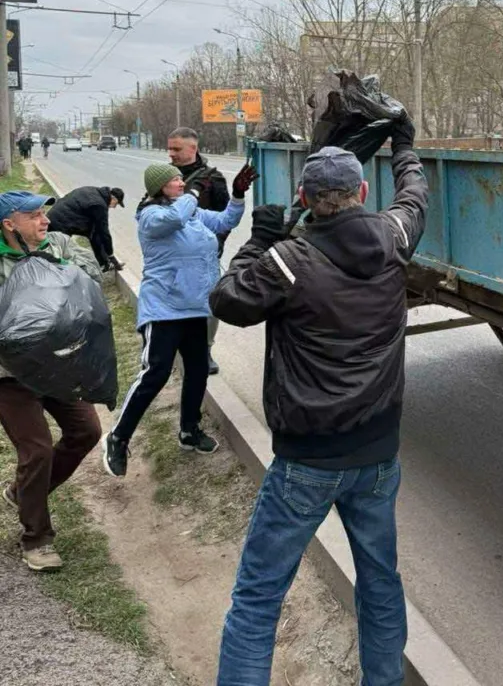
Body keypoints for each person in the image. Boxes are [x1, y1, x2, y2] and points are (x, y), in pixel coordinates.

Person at [210, 118, 427, 686]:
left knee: (259, 596)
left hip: (305, 463)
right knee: (381, 583)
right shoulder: (394, 236)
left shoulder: (286, 261)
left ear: (304, 199)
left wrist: (258, 239)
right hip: (378, 459)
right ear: (363, 192)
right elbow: (414, 194)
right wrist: (404, 146)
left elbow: (226, 300)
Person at [102, 160, 255, 478]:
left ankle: (189, 431)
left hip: (196, 308)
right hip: (165, 309)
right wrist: (194, 194)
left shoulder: (192, 213)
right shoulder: (151, 215)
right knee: (155, 374)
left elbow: (226, 220)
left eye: (182, 180)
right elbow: (174, 218)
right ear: (159, 187)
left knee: (198, 371)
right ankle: (118, 437)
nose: (182, 183)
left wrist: (238, 194)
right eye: (175, 180)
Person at [0, 191, 103, 571]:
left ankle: (23, 493)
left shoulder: (58, 243)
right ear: (9, 224)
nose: (44, 221)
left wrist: (61, 271)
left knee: (87, 431)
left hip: (57, 367)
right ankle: (37, 540)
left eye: (44, 213)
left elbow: (92, 278)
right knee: (37, 451)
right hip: (9, 375)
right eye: (33, 216)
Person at [168, 127, 231, 376]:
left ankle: (205, 349)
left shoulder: (212, 179)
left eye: (176, 149)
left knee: (209, 304)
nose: (171, 153)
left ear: (193, 148)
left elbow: (225, 217)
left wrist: (215, 244)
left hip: (204, 256)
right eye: (170, 148)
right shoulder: (165, 176)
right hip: (171, 254)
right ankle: (173, 346)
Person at [47, 186, 126, 272]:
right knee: (58, 251)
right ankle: (55, 271)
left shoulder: (93, 190)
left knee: (94, 233)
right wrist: (111, 254)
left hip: (54, 215)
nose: (114, 207)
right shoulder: (100, 205)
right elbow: (104, 232)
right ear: (113, 198)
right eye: (116, 204)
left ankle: (104, 263)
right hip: (60, 222)